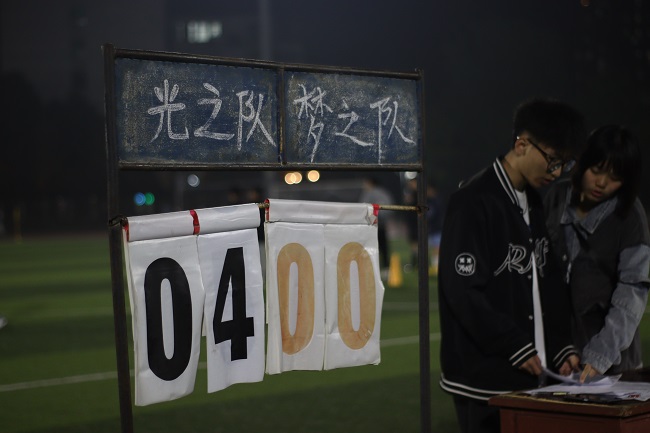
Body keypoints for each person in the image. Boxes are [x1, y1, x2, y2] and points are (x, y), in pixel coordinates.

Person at [437, 98, 584, 433]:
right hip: (486, 379)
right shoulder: (473, 200)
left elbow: (547, 280)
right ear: (521, 145)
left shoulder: (533, 200)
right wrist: (512, 343)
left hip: (535, 375)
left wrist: (560, 345)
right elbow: (462, 291)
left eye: (564, 164)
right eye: (552, 161)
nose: (557, 172)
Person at [544, 125, 650, 383]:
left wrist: (601, 354)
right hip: (559, 359)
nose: (602, 183)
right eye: (596, 170)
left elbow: (632, 290)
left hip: (612, 366)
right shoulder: (557, 197)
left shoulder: (631, 215)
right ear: (582, 162)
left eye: (615, 178)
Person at [360, 177, 394, 270]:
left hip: (373, 225)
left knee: (372, 246)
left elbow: (364, 208)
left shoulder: (373, 193)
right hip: (379, 224)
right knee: (382, 246)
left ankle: (375, 266)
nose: (364, 185)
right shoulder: (383, 192)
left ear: (370, 183)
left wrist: (372, 219)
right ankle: (385, 266)